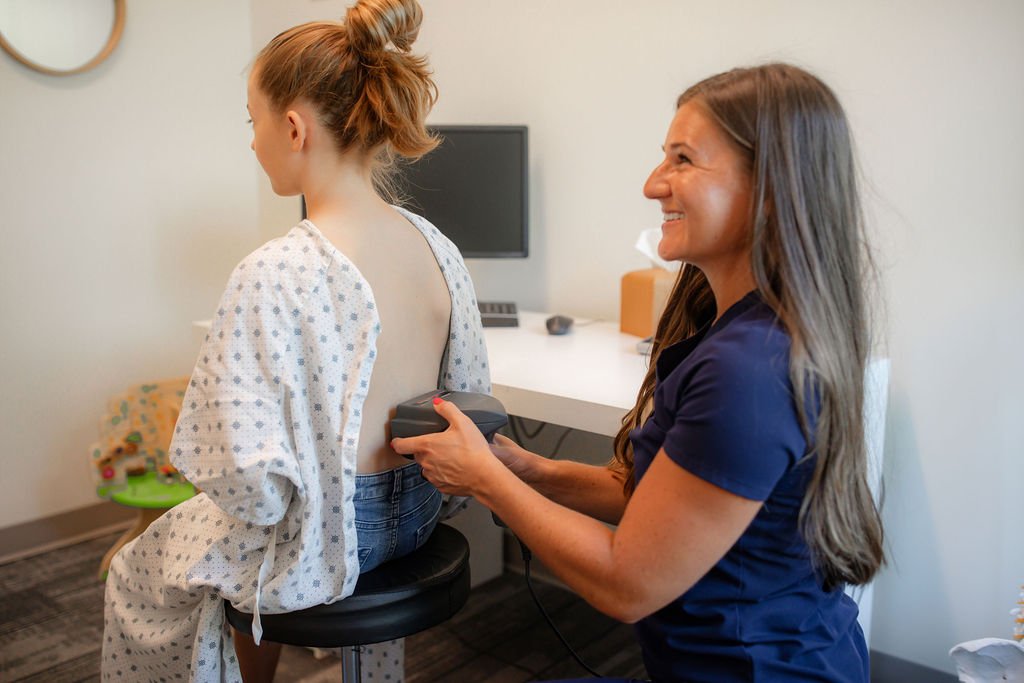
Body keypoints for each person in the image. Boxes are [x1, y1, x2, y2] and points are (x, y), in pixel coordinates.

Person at [392, 63, 885, 682]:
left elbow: (627, 584)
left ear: (770, 188)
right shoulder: (744, 333)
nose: (654, 184)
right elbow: (658, 501)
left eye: (683, 159)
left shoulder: (748, 374)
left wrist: (490, 482)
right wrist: (529, 469)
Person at [101, 1, 489, 681]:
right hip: (420, 516)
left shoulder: (275, 269)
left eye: (253, 124)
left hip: (324, 541)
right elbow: (470, 393)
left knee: (135, 568)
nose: (252, 142)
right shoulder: (439, 247)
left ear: (292, 126)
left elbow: (246, 482)